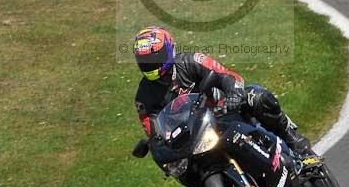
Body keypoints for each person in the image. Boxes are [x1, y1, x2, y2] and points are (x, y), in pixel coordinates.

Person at [132, 25, 320, 172]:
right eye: (144, 61)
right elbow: (152, 128)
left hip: (225, 111)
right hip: (194, 134)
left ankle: (297, 145)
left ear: (169, 49)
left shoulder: (191, 61)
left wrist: (234, 94)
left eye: (155, 58)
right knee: (166, 157)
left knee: (257, 96)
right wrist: (155, 141)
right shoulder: (143, 97)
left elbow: (226, 75)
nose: (150, 65)